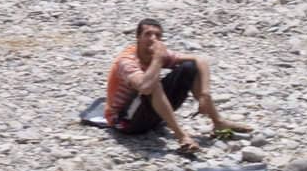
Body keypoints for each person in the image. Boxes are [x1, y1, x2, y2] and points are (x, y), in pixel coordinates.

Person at [104, 19, 248, 153]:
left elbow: (200, 60)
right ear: (138, 38)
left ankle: (218, 122)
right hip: (125, 121)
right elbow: (145, 87)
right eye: (148, 34)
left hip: (148, 115)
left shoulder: (156, 55)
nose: (153, 38)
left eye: (157, 35)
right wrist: (158, 59)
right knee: (154, 83)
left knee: (189, 67)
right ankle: (181, 136)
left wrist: (205, 94)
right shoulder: (127, 61)